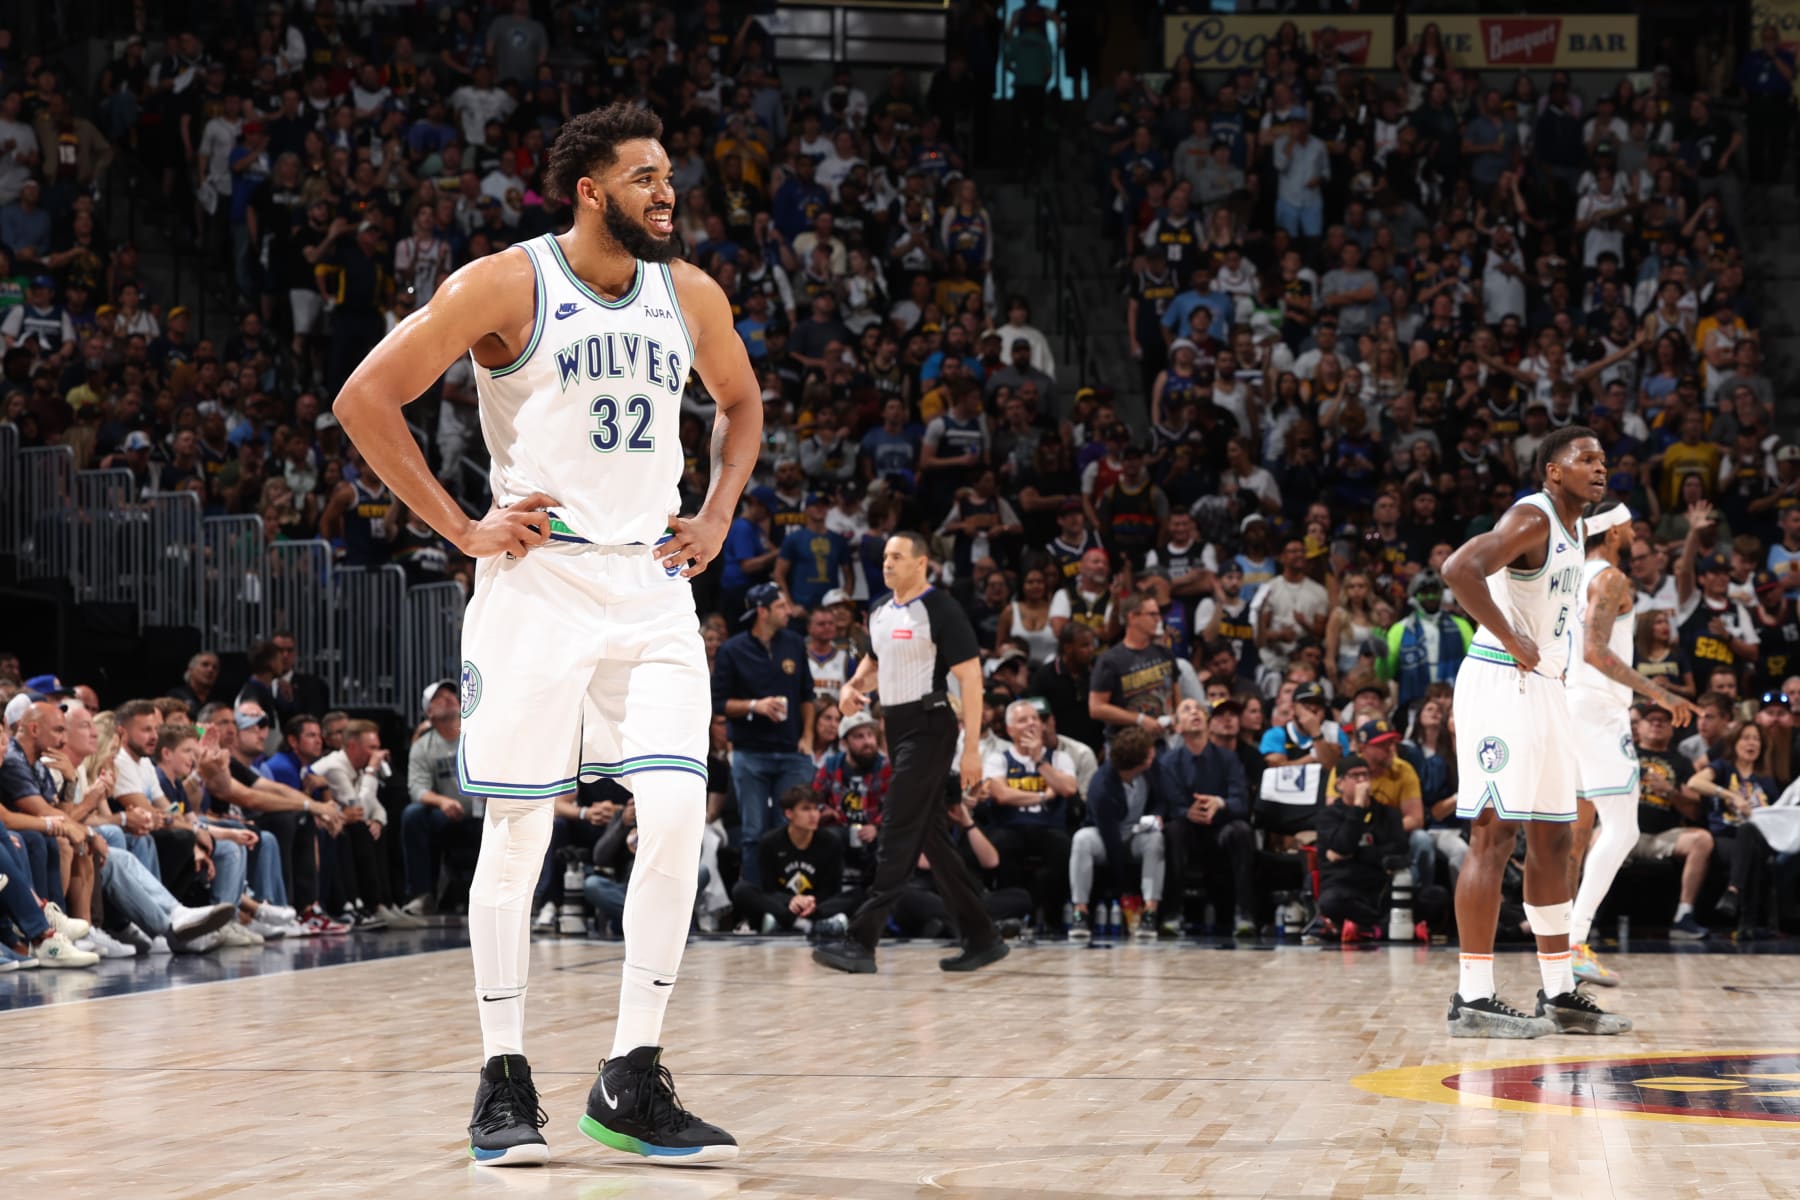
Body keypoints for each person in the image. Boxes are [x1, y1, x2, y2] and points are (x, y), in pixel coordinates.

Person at [334, 104, 758, 1167]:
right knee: (518, 830)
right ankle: (504, 1073)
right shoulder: (503, 283)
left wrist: (715, 516)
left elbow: (741, 405)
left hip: (652, 584)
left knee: (672, 815)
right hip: (538, 581)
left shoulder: (689, 293)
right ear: (589, 190)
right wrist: (462, 524)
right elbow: (364, 398)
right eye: (645, 177)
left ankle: (631, 1075)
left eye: (669, 177)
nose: (666, 192)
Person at [1439, 425, 1630, 1037]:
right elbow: (1459, 567)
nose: (1599, 468)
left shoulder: (1577, 530)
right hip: (1502, 683)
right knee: (1493, 837)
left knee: (1554, 840)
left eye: (1603, 460)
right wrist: (1508, 634)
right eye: (1585, 459)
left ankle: (1559, 992)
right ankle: (1472, 996)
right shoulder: (1533, 517)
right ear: (1553, 470)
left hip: (1547, 689)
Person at [813, 530, 1009, 975]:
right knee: (931, 839)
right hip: (895, 726)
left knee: (898, 827)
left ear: (921, 563)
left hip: (931, 725)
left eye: (897, 556)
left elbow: (972, 681)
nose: (887, 563)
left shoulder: (941, 609)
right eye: (885, 556)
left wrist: (972, 748)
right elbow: (873, 665)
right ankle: (982, 936)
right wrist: (850, 687)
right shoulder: (880, 610)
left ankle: (862, 941)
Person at [1566, 501, 1697, 987]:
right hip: (1598, 710)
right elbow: (1596, 652)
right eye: (1629, 524)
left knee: (1578, 836)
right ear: (1615, 528)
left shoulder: (1571, 576)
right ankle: (1575, 940)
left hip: (1567, 704)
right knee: (1621, 830)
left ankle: (1558, 947)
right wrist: (1661, 692)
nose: (1635, 530)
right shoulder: (1612, 578)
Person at [712, 581, 817, 886]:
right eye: (781, 606)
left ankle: (789, 901)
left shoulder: (795, 643)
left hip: (791, 752)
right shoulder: (732, 650)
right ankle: (757, 904)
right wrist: (755, 706)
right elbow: (718, 703)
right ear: (763, 611)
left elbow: (806, 694)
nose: (788, 610)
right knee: (753, 833)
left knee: (790, 830)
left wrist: (808, 735)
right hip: (750, 752)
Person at [1068, 725, 1170, 942]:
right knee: (1081, 840)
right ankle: (1081, 911)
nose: (1154, 754)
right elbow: (1111, 841)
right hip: (1107, 836)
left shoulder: (1152, 771)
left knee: (1155, 840)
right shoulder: (1102, 787)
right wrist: (1126, 888)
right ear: (1141, 760)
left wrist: (1157, 816)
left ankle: (1151, 911)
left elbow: (1161, 800)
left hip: (1137, 832)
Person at [727, 786, 858, 936]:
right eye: (806, 809)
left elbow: (831, 890)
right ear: (789, 813)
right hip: (784, 905)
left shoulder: (830, 842)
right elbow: (769, 889)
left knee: (860, 894)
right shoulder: (770, 842)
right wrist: (792, 900)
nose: (814, 815)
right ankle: (804, 924)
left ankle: (794, 923)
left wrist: (810, 903)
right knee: (741, 890)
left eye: (816, 809)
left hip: (817, 905)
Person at [1315, 754, 1406, 940]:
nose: (1362, 780)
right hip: (1344, 887)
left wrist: (1357, 854)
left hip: (1379, 887)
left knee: (1435, 897)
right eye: (1355, 776)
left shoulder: (1388, 814)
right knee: (1330, 902)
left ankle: (1366, 927)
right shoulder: (1328, 816)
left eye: (1365, 775)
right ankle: (1378, 926)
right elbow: (1343, 845)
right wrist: (1358, 806)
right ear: (1340, 784)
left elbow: (1401, 851)